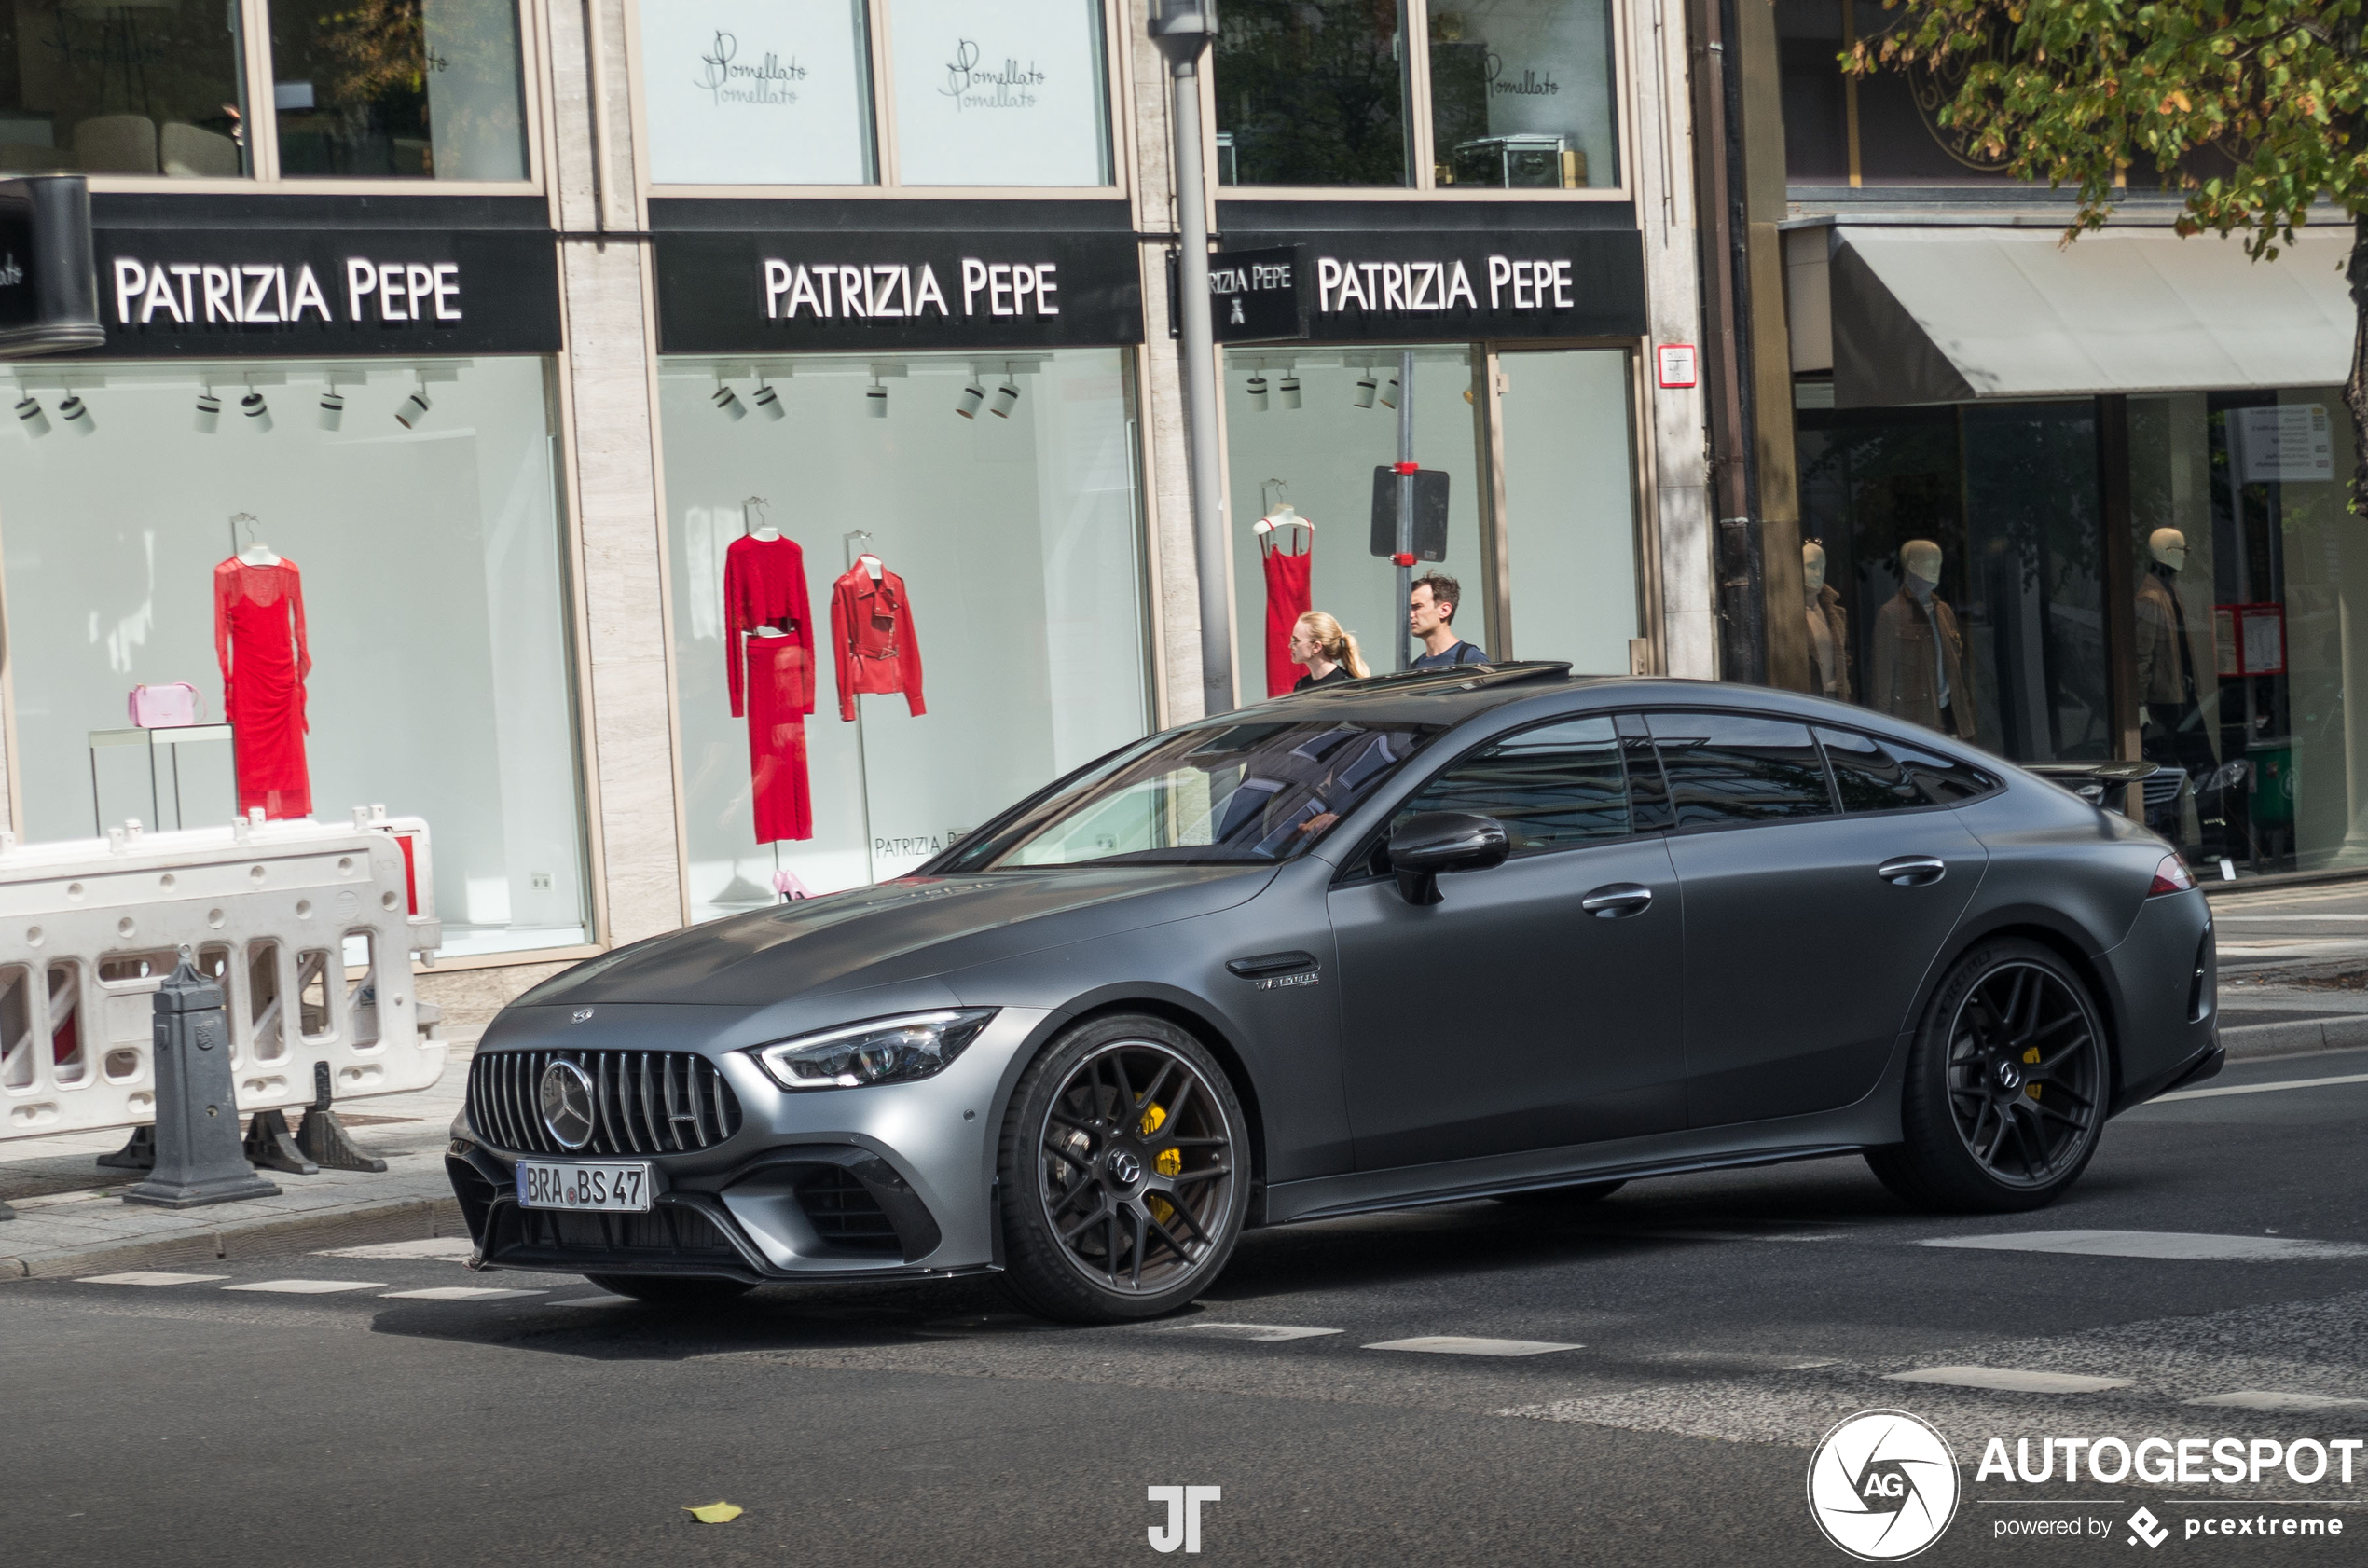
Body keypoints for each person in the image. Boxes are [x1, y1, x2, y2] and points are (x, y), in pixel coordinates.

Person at [1407, 572, 1489, 669]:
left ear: (1444, 610)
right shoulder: (1415, 667)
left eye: (1417, 607)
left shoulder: (1470, 659)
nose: (1410, 615)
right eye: (1409, 608)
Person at [1288, 611, 1369, 691]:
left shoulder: (1346, 686)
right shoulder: (1301, 685)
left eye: (1296, 641)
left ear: (1316, 647)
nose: (1290, 646)